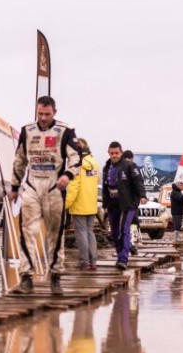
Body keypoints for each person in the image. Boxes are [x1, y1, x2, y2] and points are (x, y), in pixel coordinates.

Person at [9, 95, 82, 295]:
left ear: (54, 113)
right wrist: (15, 187)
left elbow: (76, 158)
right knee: (27, 230)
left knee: (54, 233)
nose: (43, 118)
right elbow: (19, 160)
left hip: (55, 185)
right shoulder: (27, 130)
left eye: (47, 114)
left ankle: (56, 277)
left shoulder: (65, 131)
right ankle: (26, 277)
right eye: (40, 113)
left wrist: (68, 175)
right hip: (32, 184)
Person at [102, 142, 144, 270]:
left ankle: (123, 259)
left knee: (123, 230)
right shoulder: (106, 167)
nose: (114, 155)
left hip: (127, 203)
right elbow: (105, 186)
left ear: (121, 152)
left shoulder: (129, 166)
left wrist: (142, 195)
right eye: (112, 153)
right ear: (108, 152)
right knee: (114, 232)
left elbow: (138, 181)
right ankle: (120, 255)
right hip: (112, 203)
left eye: (117, 153)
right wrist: (105, 202)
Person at [65, 137, 101, 270]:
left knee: (81, 233)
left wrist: (66, 204)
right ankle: (93, 262)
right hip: (91, 204)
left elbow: (74, 187)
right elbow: (96, 182)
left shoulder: (77, 165)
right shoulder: (95, 163)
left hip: (79, 204)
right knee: (90, 232)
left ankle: (84, 261)